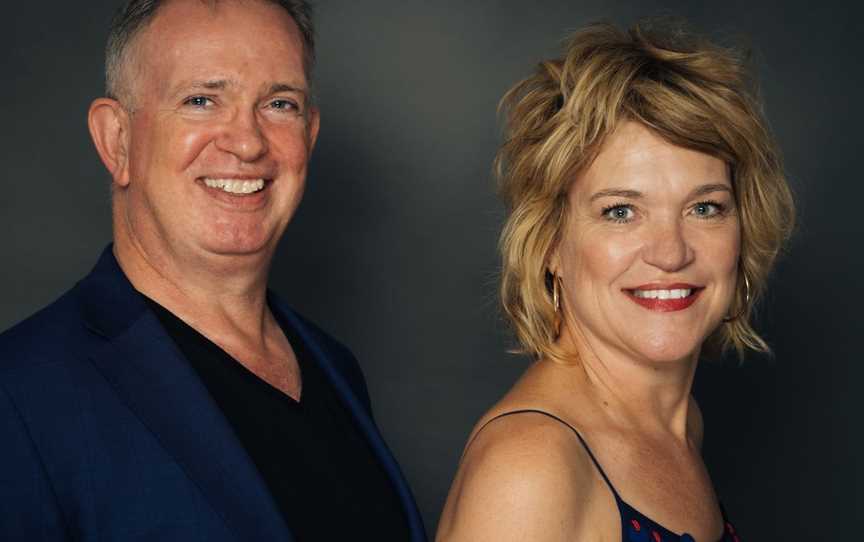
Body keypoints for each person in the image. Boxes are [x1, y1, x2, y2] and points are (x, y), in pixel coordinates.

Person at [0, 0, 426, 540]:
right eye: (201, 100)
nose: (247, 142)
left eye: (279, 104)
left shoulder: (335, 370)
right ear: (117, 140)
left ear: (310, 135)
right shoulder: (19, 396)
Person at [437, 21, 794, 542]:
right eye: (621, 211)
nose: (671, 252)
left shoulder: (678, 423)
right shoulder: (530, 468)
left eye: (704, 207)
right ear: (551, 243)